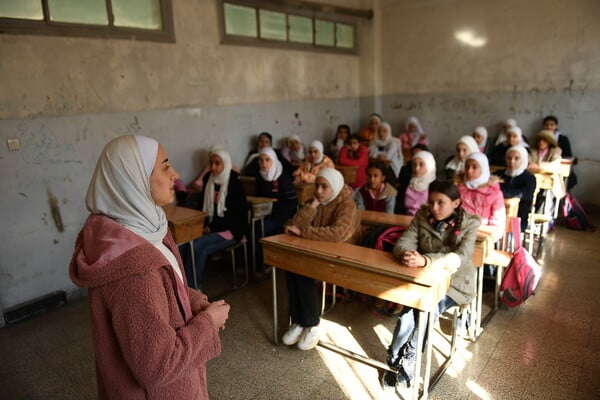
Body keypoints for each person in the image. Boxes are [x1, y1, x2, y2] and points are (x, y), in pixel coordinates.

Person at [69, 135, 230, 399]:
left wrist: (197, 302)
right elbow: (158, 366)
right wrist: (208, 323)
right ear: (133, 177)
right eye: (165, 166)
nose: (175, 175)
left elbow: (165, 285)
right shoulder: (132, 268)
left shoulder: (140, 228)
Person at [382, 180, 480, 390]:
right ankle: (395, 353)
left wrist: (426, 260)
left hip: (456, 283)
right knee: (409, 310)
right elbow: (404, 241)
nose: (434, 208)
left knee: (429, 309)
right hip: (425, 279)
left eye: (440, 203)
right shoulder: (422, 215)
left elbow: (461, 257)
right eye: (431, 202)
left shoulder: (470, 223)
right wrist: (407, 254)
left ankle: (409, 358)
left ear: (456, 203)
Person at [282, 168, 361, 350]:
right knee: (290, 266)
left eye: (324, 187)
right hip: (318, 251)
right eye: (317, 186)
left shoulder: (346, 205)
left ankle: (313, 324)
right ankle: (299, 321)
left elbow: (338, 234)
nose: (318, 190)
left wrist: (304, 232)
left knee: (303, 271)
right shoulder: (317, 200)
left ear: (335, 186)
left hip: (343, 255)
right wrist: (313, 206)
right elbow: (296, 225)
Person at [185, 147, 248, 289]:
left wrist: (211, 227)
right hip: (212, 227)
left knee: (197, 246)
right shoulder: (209, 179)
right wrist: (203, 225)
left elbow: (237, 216)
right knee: (186, 244)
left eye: (217, 163)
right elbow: (203, 207)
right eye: (211, 163)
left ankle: (193, 288)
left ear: (226, 164)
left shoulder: (234, 183)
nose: (213, 167)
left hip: (231, 230)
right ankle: (187, 287)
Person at [254, 147, 299, 273]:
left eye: (267, 160)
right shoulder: (260, 176)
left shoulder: (283, 178)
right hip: (265, 212)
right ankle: (256, 262)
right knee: (253, 228)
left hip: (282, 213)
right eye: (261, 160)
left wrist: (273, 210)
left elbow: (292, 203)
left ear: (273, 160)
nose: (264, 163)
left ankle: (265, 263)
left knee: (260, 229)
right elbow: (258, 196)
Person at [457, 152, 506, 242]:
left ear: (483, 169)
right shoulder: (458, 189)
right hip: (457, 235)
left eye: (474, 167)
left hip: (481, 238)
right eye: (467, 167)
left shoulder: (494, 193)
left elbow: (497, 226)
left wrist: (481, 237)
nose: (469, 171)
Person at [495, 145, 536, 232]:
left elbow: (524, 194)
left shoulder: (529, 178)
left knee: (512, 230)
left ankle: (513, 245)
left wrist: (501, 193)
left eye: (516, 158)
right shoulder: (498, 175)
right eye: (509, 158)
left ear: (523, 160)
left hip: (519, 215)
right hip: (496, 214)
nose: (512, 161)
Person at [542, 114, 577, 191]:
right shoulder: (540, 138)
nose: (549, 127)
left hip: (559, 166)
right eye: (546, 125)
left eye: (552, 125)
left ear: (556, 126)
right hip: (544, 166)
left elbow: (568, 155)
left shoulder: (563, 139)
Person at [397, 150, 437, 216]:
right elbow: (398, 206)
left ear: (429, 166)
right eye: (414, 165)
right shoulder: (406, 181)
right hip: (403, 219)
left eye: (421, 164)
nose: (417, 168)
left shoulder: (435, 186)